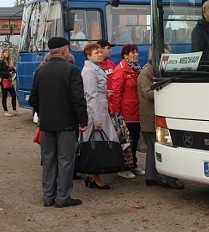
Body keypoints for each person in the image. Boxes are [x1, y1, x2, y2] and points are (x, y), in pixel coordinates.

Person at [29, 37, 88, 208]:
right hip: (67, 124)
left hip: (46, 124)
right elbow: (78, 99)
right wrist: (83, 120)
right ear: (63, 51)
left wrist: (43, 113)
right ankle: (63, 197)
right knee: (65, 160)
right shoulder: (71, 70)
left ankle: (48, 197)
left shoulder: (40, 71)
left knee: (48, 160)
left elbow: (34, 99)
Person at [137, 48, 184, 189]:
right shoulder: (146, 73)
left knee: (153, 149)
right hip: (151, 117)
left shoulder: (154, 71)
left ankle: (152, 177)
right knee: (163, 145)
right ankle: (166, 178)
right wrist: (166, 90)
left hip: (155, 116)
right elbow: (148, 93)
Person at [80, 43, 118, 190]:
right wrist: (96, 120)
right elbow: (90, 96)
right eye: (97, 52)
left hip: (100, 108)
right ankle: (94, 175)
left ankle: (93, 174)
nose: (100, 54)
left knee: (99, 142)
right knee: (96, 143)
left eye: (100, 52)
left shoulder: (94, 68)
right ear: (89, 56)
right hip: (96, 112)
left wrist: (105, 93)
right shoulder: (89, 71)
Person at [109, 44, 145, 179]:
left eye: (136, 52)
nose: (135, 54)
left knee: (134, 139)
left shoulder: (135, 68)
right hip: (126, 112)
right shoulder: (121, 70)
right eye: (132, 52)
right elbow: (116, 92)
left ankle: (133, 164)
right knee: (126, 141)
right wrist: (117, 113)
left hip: (136, 110)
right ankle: (123, 167)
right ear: (125, 55)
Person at [0, 48, 19, 117]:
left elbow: (12, 69)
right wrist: (8, 73)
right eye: (6, 52)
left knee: (14, 95)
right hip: (3, 80)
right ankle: (5, 111)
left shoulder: (9, 62)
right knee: (4, 96)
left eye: (8, 52)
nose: (7, 54)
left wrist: (13, 71)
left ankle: (14, 109)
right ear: (3, 53)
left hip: (9, 80)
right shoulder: (0, 62)